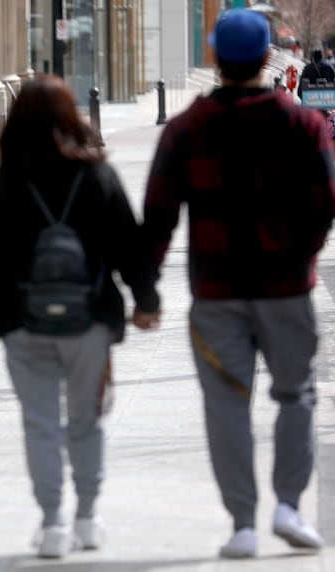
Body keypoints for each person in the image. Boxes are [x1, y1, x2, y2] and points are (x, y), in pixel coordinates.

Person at [139, 9, 334, 559]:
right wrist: (302, 254)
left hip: (217, 293)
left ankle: (243, 523)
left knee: (226, 404)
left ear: (216, 58)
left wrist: (146, 290)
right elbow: (325, 203)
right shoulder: (302, 125)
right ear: (268, 56)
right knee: (296, 395)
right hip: (287, 288)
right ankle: (290, 506)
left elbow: (157, 215)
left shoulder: (186, 129)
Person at [0, 75, 160, 559]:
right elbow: (128, 244)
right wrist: (145, 301)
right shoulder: (95, 175)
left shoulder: (9, 182)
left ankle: (53, 523)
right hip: (89, 319)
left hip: (22, 320)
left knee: (40, 425)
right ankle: (88, 518)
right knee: (85, 421)